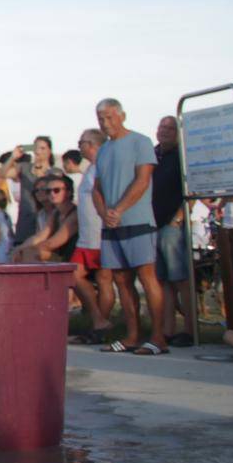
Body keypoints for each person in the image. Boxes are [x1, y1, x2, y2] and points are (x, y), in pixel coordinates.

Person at [92, 98, 167, 356]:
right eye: (100, 118)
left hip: (137, 220)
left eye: (109, 117)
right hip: (112, 225)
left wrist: (120, 209)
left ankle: (158, 337)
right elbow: (97, 189)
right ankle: (132, 335)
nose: (105, 123)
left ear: (122, 116)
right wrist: (105, 214)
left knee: (147, 277)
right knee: (122, 280)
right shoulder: (103, 150)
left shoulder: (140, 142)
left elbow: (143, 179)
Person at [152, 116, 194, 347]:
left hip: (173, 225)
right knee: (163, 281)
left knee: (180, 279)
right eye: (162, 127)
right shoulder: (153, 154)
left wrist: (178, 219)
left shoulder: (182, 157)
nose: (164, 131)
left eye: (170, 128)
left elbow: (191, 192)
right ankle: (168, 329)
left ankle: (190, 329)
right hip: (153, 224)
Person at [68, 128, 113, 343]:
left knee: (104, 279)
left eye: (81, 142)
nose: (79, 146)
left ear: (93, 144)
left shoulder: (103, 167)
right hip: (87, 235)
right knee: (75, 274)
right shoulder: (90, 169)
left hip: (100, 234)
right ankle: (98, 319)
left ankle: (101, 325)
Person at [10, 175, 77, 263]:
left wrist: (26, 250)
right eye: (48, 191)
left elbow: (52, 243)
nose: (52, 194)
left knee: (31, 254)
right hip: (59, 256)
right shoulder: (55, 213)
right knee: (23, 253)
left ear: (68, 192)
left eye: (57, 190)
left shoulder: (74, 214)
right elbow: (40, 236)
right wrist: (19, 249)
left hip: (72, 257)